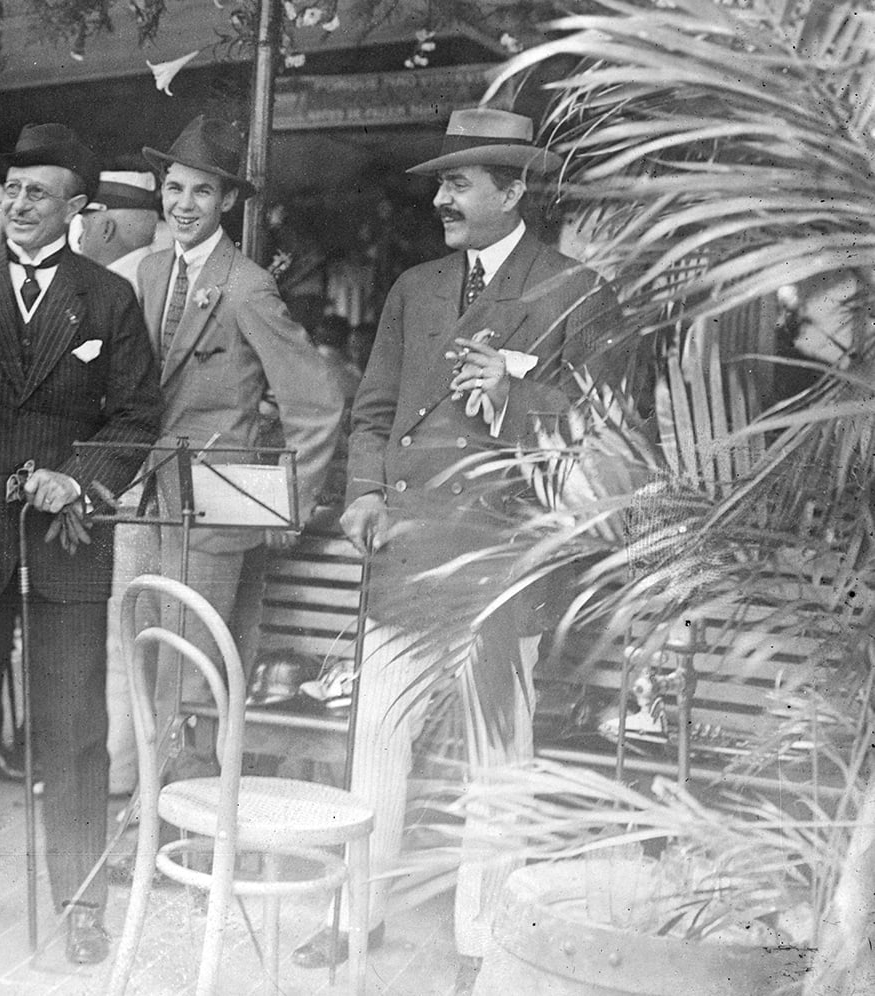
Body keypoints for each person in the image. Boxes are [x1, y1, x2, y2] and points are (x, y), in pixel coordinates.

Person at [299, 107, 624, 995]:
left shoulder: (576, 291)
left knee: (494, 759)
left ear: (512, 190)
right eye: (441, 183)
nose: (441, 198)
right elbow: (372, 411)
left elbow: (606, 434)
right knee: (376, 737)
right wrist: (364, 490)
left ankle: (482, 937)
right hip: (407, 550)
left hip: (501, 563)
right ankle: (351, 914)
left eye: (459, 183)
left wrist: (515, 398)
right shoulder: (415, 287)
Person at [0, 122, 161, 965]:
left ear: (77, 207)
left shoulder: (107, 299)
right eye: (11, 191)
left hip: (66, 542)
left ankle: (82, 898)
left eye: (38, 194)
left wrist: (78, 477)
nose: (18, 206)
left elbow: (136, 416)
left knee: (75, 725)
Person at [117, 115, 343, 786]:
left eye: (201, 194)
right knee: (154, 670)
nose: (183, 206)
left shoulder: (247, 286)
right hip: (151, 503)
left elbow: (317, 404)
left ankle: (195, 833)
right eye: (174, 189)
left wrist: (280, 509)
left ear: (229, 203)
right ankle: (161, 823)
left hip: (218, 512)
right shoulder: (153, 273)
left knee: (198, 685)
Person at [74, 169, 159, 293]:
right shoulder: (158, 281)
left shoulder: (111, 292)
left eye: (85, 228)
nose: (79, 239)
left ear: (107, 230)